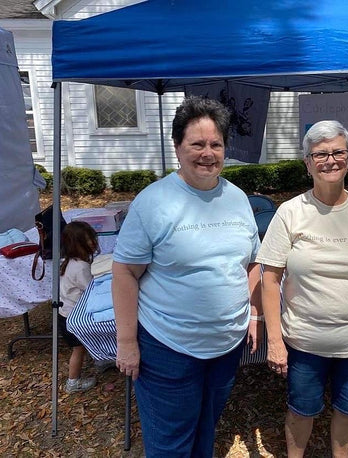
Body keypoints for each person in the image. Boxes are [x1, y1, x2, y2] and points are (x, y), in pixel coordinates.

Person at [112, 95, 262, 458]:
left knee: (205, 430)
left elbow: (254, 262)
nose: (207, 153)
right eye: (197, 144)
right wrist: (128, 342)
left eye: (216, 144)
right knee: (170, 444)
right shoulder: (153, 202)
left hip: (226, 347)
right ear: (178, 147)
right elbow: (124, 273)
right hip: (168, 348)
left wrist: (254, 314)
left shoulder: (238, 198)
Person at [256, 120, 348, 458]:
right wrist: (276, 342)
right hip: (305, 341)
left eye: (338, 152)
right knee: (301, 411)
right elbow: (269, 279)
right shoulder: (290, 213)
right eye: (320, 154)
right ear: (308, 163)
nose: (330, 160)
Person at [59, 221, 100, 393]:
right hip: (71, 317)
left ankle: (101, 359)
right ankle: (73, 382)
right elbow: (91, 289)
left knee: (83, 343)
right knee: (78, 349)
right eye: (87, 240)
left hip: (65, 314)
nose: (92, 242)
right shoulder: (80, 267)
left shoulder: (70, 262)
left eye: (91, 237)